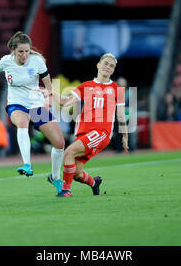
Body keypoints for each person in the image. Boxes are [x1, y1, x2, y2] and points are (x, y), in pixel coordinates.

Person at [0, 31, 65, 193]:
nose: (24, 55)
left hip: (36, 105)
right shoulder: (6, 62)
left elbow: (48, 84)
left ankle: (55, 177)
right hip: (17, 103)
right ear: (13, 50)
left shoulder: (37, 62)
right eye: (21, 51)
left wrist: (49, 94)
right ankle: (27, 164)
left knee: (60, 143)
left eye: (27, 51)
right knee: (22, 122)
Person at [46, 53, 129, 197]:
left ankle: (65, 190)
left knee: (68, 153)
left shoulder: (117, 90)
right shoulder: (86, 86)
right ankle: (94, 182)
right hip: (84, 133)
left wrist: (125, 136)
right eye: (106, 63)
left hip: (101, 132)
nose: (108, 67)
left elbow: (121, 115)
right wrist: (50, 92)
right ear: (98, 65)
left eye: (111, 66)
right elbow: (65, 102)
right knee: (77, 173)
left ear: (113, 70)